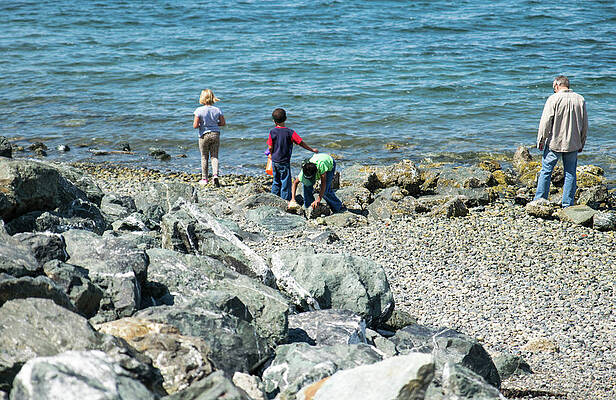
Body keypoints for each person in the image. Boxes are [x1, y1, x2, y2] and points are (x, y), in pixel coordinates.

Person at [534, 75, 588, 207]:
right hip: (573, 143)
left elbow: (545, 122)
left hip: (555, 142)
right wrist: (582, 142)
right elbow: (585, 124)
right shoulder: (580, 99)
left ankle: (540, 200)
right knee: (570, 173)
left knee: (546, 171)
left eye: (554, 88)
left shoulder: (554, 98)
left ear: (557, 86)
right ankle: (567, 204)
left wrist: (541, 139)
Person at [267, 108, 318, 200]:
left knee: (276, 180)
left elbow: (270, 147)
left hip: (275, 160)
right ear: (286, 118)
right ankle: (284, 200)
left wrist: (271, 155)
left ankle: (273, 197)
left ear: (274, 121)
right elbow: (301, 143)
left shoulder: (272, 132)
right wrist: (312, 149)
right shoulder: (290, 132)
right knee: (285, 182)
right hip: (284, 161)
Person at [193, 89, 225, 187]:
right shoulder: (217, 110)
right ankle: (215, 175)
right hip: (215, 134)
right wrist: (214, 124)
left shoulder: (199, 110)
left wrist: (202, 125)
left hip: (204, 135)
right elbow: (223, 123)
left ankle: (204, 178)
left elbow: (195, 125)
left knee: (204, 157)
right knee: (214, 156)